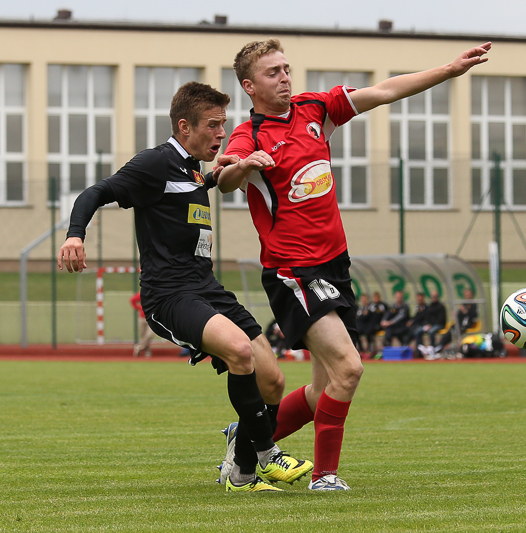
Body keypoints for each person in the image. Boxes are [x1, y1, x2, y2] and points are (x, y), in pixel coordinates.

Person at [216, 38, 491, 490]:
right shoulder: (251, 135)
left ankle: (246, 437)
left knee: (322, 389)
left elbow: (383, 91)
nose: (284, 77)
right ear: (249, 86)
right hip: (293, 271)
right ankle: (324, 476)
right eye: (272, 72)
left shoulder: (314, 109)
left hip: (335, 267)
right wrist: (244, 165)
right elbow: (225, 178)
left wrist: (448, 70)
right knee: (349, 368)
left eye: (286, 68)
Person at [58, 82, 311, 492]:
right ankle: (268, 455)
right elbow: (97, 191)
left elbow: (186, 191)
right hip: (169, 294)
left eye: (223, 124)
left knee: (273, 381)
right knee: (240, 350)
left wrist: (218, 175)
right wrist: (75, 235)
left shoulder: (191, 169)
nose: (221, 133)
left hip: (206, 287)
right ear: (184, 126)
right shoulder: (154, 163)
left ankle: (241, 474)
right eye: (212, 125)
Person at [420, 288, 478, 359]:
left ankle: (437, 348)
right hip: (458, 325)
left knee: (449, 333)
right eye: (466, 295)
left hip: (467, 326)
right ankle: (437, 348)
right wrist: (456, 314)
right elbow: (459, 316)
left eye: (468, 295)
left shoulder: (473, 305)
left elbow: (473, 316)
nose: (467, 296)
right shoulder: (463, 304)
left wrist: (465, 311)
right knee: (448, 333)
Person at [130, 291, 154, 358]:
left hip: (152, 318)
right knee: (144, 335)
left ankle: (138, 347)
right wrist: (137, 308)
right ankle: (147, 351)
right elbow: (133, 300)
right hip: (142, 318)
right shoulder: (142, 293)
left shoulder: (156, 294)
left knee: (149, 335)